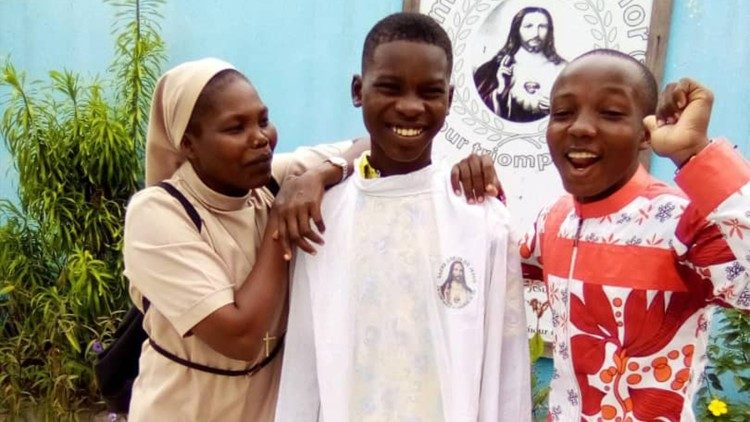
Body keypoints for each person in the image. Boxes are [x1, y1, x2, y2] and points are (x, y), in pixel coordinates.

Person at [461, 49, 750, 421]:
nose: (580, 127)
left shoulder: (680, 223)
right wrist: (478, 195)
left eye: (611, 113)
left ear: (646, 134)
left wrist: (696, 154)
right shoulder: (556, 220)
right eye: (563, 113)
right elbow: (493, 260)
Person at [275, 13, 531, 421]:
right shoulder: (323, 217)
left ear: (449, 98)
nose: (410, 107)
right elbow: (304, 360)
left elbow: (506, 366)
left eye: (429, 92)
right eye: (390, 88)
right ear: (358, 91)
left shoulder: (480, 220)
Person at [122, 58, 366, 421]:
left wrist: (321, 174)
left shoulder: (270, 181)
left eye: (263, 120)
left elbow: (366, 145)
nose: (261, 139)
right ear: (188, 145)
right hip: (182, 409)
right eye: (236, 128)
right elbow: (240, 338)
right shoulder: (157, 214)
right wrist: (279, 221)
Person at [473, 6, 566, 122]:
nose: (536, 33)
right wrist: (501, 92)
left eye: (542, 26)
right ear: (516, 30)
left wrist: (559, 109)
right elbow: (479, 113)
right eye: (528, 26)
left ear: (550, 31)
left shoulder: (564, 70)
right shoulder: (491, 70)